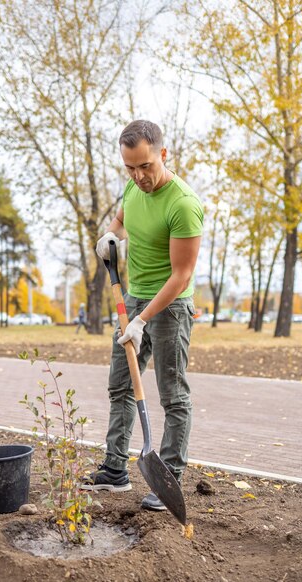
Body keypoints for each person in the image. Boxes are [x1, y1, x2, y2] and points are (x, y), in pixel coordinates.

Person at [82, 120, 204, 511]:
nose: (139, 176)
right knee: (120, 386)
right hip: (133, 300)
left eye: (146, 166)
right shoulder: (134, 187)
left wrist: (142, 320)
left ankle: (168, 478)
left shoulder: (183, 204)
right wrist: (111, 234)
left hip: (170, 309)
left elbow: (181, 275)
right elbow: (123, 218)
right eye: (130, 168)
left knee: (173, 397)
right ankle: (115, 470)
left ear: (163, 155)